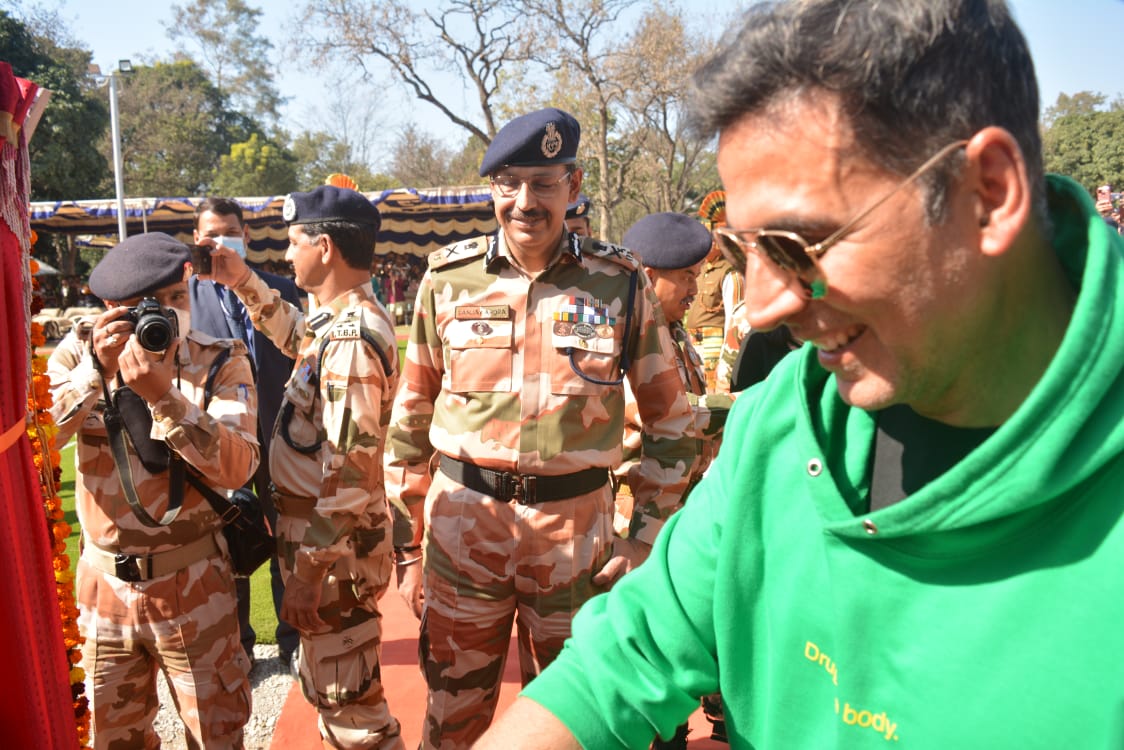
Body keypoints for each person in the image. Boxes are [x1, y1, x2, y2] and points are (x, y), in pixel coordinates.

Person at [477, 1, 1124, 747]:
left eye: (800, 242)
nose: (762, 304)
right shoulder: (781, 426)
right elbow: (612, 671)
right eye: (741, 248)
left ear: (989, 193)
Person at [384, 107, 697, 749]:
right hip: (463, 532)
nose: (525, 201)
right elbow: (409, 423)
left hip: (575, 539)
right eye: (510, 182)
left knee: (581, 722)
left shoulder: (618, 282)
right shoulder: (447, 280)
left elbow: (672, 420)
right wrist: (409, 548)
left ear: (573, 186)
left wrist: (644, 539)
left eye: (544, 183)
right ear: (493, 188)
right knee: (453, 718)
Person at [203, 185, 404, 749]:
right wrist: (241, 280)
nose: (287, 257)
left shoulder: (351, 340)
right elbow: (293, 333)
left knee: (353, 715)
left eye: (293, 243)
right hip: (324, 551)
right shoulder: (334, 326)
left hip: (333, 563)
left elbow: (351, 473)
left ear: (325, 247)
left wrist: (310, 574)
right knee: (333, 697)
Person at [47, 233, 259, 748]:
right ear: (110, 309)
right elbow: (36, 437)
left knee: (216, 734)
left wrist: (165, 397)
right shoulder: (78, 354)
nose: (165, 316)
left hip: (194, 582)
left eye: (176, 300)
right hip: (103, 590)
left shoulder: (219, 359)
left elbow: (239, 466)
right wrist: (95, 373)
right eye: (147, 307)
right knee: (108, 737)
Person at [617, 212, 736, 749]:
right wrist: (741, 406)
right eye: (684, 277)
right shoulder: (619, 338)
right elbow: (668, 414)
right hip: (637, 528)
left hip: (680, 522)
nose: (695, 288)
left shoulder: (678, 335)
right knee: (648, 673)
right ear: (646, 274)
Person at [188, 195, 303, 668]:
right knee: (226, 541)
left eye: (229, 231)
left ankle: (293, 639)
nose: (220, 241)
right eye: (210, 234)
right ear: (197, 240)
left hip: (280, 434)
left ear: (246, 235)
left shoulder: (280, 290)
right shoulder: (185, 297)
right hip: (220, 442)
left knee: (287, 540)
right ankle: (239, 645)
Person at [686, 190, 743, 391]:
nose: (706, 245)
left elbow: (733, 320)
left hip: (716, 345)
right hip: (693, 343)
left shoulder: (730, 272)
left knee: (714, 396)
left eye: (711, 239)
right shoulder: (700, 271)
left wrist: (726, 358)